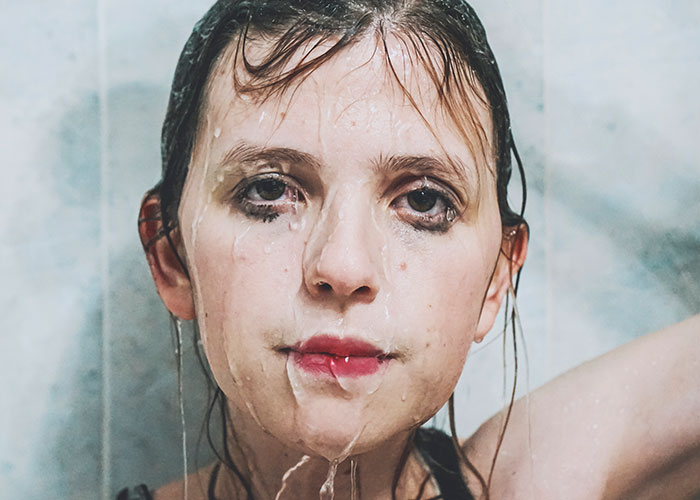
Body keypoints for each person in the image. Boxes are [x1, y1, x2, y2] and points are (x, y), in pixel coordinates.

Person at [124, 0, 700, 498]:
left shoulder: (534, 480)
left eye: (424, 202)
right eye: (269, 190)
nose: (343, 267)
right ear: (171, 256)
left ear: (497, 278)